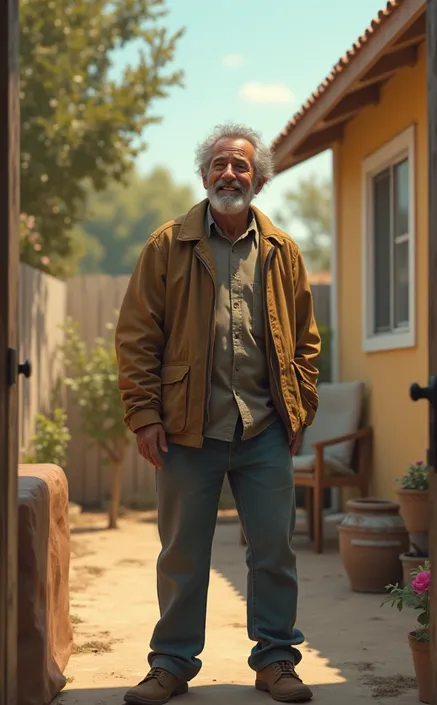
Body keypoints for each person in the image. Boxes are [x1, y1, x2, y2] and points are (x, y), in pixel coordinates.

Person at [115, 123, 321, 705]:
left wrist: (299, 407)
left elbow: (306, 338)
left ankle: (276, 658)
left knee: (274, 551)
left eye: (242, 167)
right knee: (182, 553)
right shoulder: (166, 246)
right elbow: (136, 337)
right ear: (204, 174)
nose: (230, 174)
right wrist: (144, 414)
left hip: (263, 428)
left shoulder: (283, 252)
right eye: (220, 165)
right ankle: (172, 664)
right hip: (186, 430)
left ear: (259, 180)